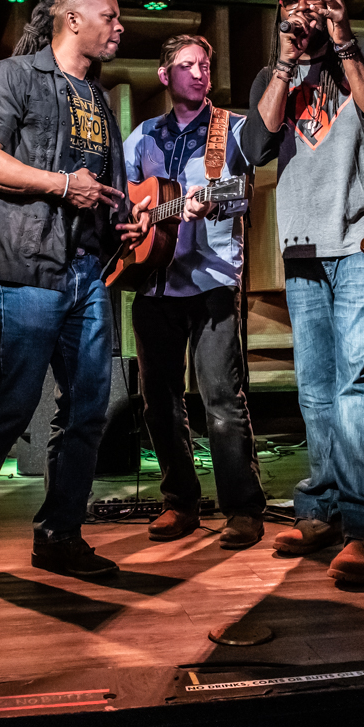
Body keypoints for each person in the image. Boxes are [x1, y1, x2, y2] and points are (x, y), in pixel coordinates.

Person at [0, 0, 151, 582]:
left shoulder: (98, 99)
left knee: (87, 411)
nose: (120, 26)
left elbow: (97, 194)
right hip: (25, 266)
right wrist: (60, 184)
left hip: (87, 272)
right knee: (11, 404)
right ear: (72, 19)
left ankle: (59, 535)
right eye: (109, 16)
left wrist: (123, 225)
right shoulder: (14, 77)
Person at [242, 0, 364, 584]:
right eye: (290, 2)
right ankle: (323, 511)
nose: (301, 10)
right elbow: (255, 148)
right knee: (315, 389)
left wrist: (342, 43)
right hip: (303, 249)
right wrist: (284, 66)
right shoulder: (273, 74)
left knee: (358, 388)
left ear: (332, 1)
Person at [123, 34, 264, 548]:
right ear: (165, 76)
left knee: (222, 400)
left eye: (205, 65)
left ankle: (242, 509)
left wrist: (215, 202)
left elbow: (243, 193)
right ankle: (179, 501)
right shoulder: (142, 135)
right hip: (154, 284)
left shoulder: (233, 129)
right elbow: (124, 203)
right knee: (159, 403)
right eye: (187, 65)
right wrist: (135, 218)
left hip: (212, 283)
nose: (200, 73)